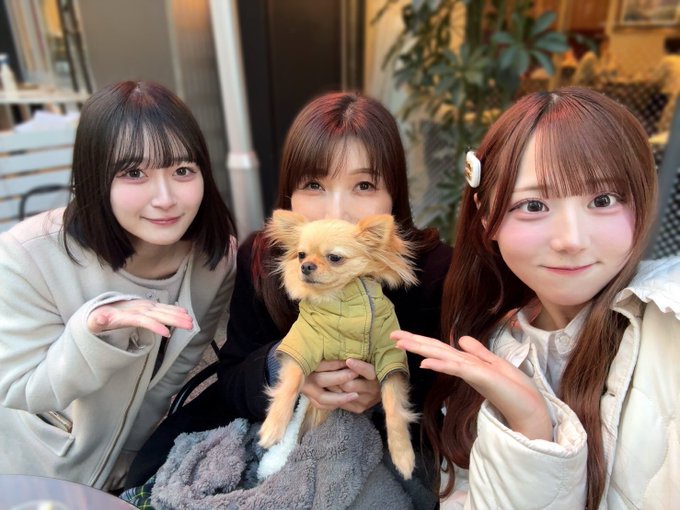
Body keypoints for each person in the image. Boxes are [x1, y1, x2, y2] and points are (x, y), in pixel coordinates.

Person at [125, 91, 453, 503]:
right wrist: (287, 365)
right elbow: (232, 376)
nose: (336, 210)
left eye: (364, 185)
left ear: (394, 195)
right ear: (289, 194)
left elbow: (451, 394)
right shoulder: (264, 258)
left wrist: (384, 391)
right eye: (314, 184)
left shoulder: (434, 270)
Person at [392, 87, 680, 508]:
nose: (571, 240)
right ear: (486, 217)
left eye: (602, 200)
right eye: (533, 205)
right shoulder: (485, 351)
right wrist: (529, 431)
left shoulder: (669, 323)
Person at [0, 81, 237, 491]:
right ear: (94, 177)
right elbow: (19, 389)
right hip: (30, 470)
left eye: (182, 170)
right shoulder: (27, 255)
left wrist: (128, 456)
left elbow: (174, 373)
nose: (165, 198)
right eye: (134, 173)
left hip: (118, 476)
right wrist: (91, 332)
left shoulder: (214, 260)